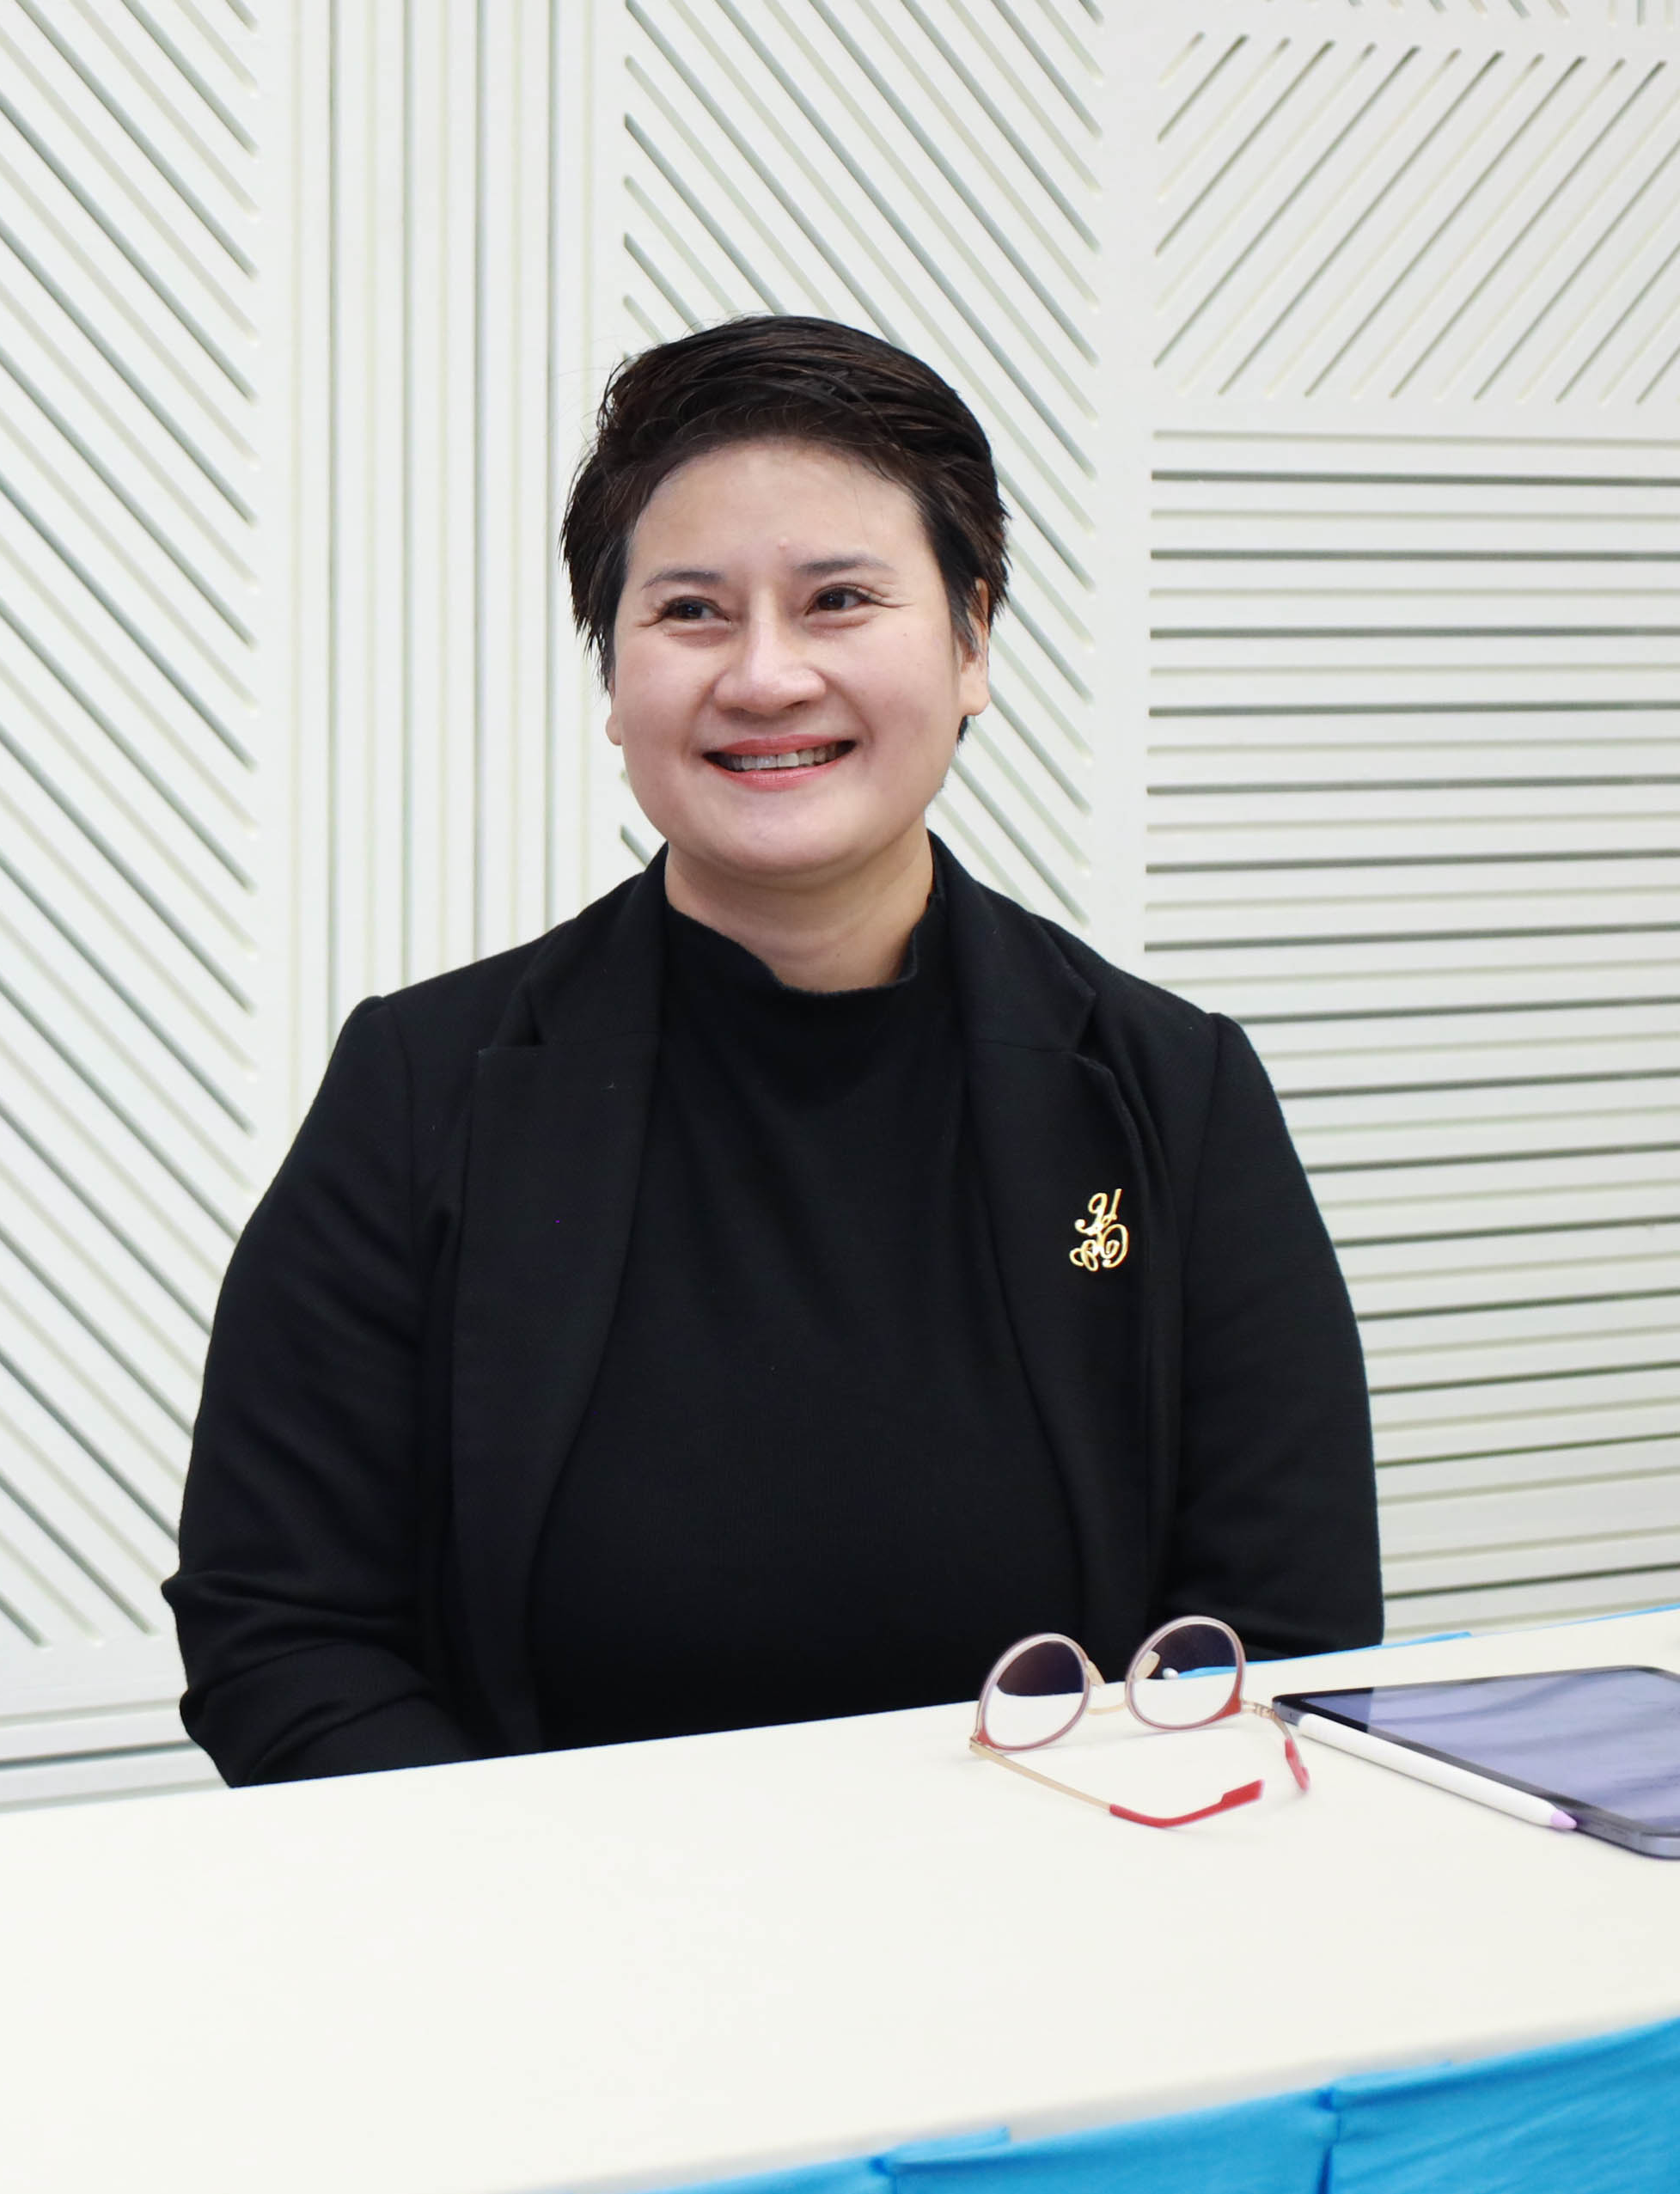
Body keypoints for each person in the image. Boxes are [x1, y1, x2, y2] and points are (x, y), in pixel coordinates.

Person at [168, 317, 1378, 1785]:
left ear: (971, 639)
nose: (763, 674)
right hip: (542, 1912)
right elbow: (280, 1627)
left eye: (838, 600)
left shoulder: (1168, 1093)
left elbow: (1283, 1634)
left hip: (1064, 1902)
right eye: (690, 611)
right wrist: (531, 1895)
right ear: (613, 676)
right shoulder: (422, 1086)